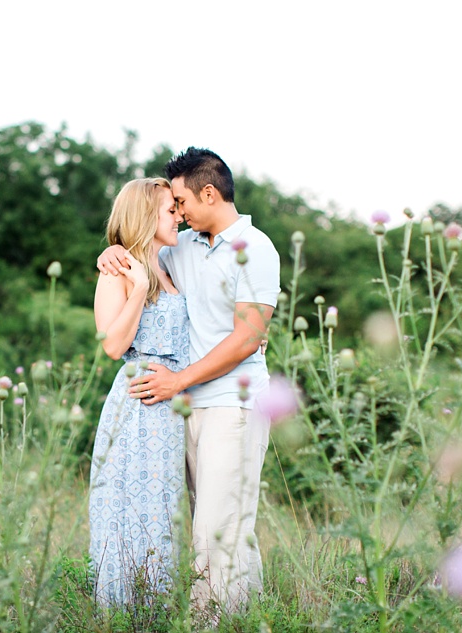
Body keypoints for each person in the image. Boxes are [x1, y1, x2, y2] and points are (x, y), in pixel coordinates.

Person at [97, 147, 280, 611]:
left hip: (230, 403)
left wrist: (178, 381)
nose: (177, 213)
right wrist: (113, 249)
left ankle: (219, 621)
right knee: (190, 523)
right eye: (170, 207)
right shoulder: (188, 247)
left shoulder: (254, 249)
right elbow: (142, 256)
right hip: (182, 406)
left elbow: (248, 337)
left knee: (220, 528)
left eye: (181, 203)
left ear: (209, 193)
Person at [88, 177, 190, 606]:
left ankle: (159, 606)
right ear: (147, 216)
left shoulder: (171, 263)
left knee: (164, 510)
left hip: (175, 405)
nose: (179, 217)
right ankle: (124, 610)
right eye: (170, 211)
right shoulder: (119, 270)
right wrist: (139, 290)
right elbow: (112, 345)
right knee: (132, 506)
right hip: (140, 404)